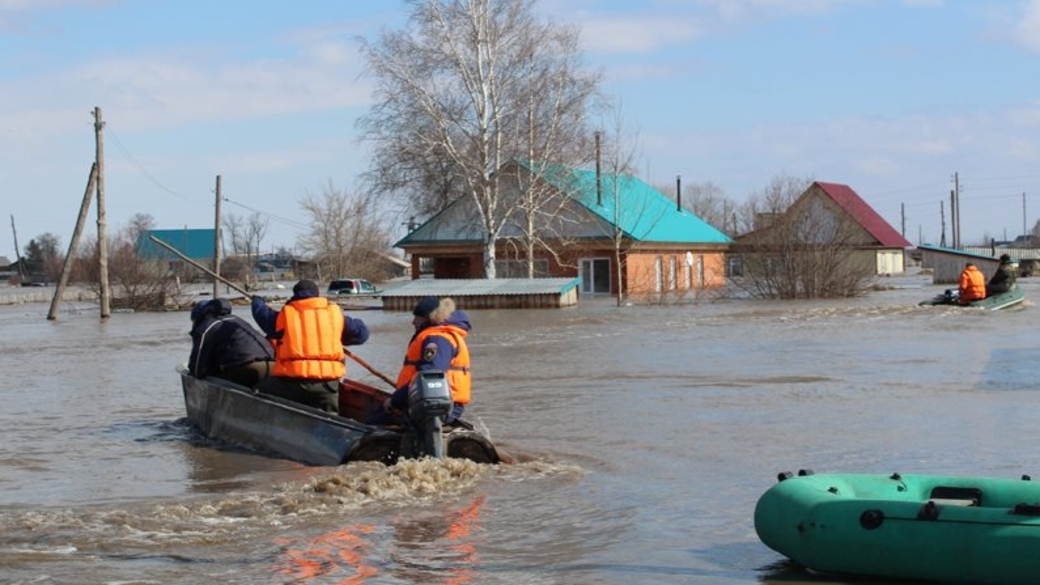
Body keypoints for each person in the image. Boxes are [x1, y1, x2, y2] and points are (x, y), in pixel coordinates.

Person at [251, 279, 369, 413]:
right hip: (327, 385)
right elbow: (362, 334)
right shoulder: (335, 315)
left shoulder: (285, 315)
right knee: (331, 419)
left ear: (295, 295)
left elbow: (263, 317)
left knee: (259, 390)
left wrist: (257, 301)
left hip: (292, 383)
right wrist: (338, 336)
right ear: (318, 295)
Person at [368, 296, 471, 426]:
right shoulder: (440, 336)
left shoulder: (437, 339)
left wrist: (395, 401)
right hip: (433, 403)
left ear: (430, 318)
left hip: (436, 407)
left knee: (371, 425)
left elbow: (429, 377)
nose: (413, 322)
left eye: (417, 317)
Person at [188, 298, 274, 388]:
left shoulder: (205, 327)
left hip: (251, 369)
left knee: (214, 379)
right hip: (274, 366)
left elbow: (197, 369)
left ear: (197, 318)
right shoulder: (236, 319)